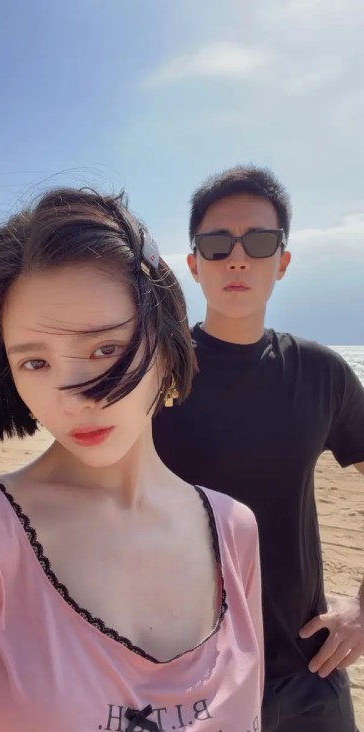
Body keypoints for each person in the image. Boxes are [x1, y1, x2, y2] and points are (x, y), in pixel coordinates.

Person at [0, 187, 263, 732]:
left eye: (105, 349)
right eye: (35, 362)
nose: (73, 397)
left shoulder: (234, 531)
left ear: (167, 344)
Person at [153, 165, 364, 732]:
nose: (238, 259)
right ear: (194, 264)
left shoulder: (321, 373)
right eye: (217, 245)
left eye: (260, 242)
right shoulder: (153, 376)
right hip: (185, 678)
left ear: (283, 262)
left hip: (309, 668)